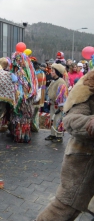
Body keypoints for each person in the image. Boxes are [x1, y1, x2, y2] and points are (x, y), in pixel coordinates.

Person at [36, 70, 94, 221]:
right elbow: (71, 120)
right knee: (64, 208)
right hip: (83, 160)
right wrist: (90, 122)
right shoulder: (89, 83)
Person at [44, 63, 68, 143]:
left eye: (53, 71)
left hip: (58, 105)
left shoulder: (61, 82)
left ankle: (59, 136)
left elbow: (63, 95)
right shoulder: (53, 81)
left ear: (57, 72)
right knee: (52, 119)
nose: (51, 72)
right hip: (52, 104)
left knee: (58, 120)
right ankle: (53, 134)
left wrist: (61, 106)